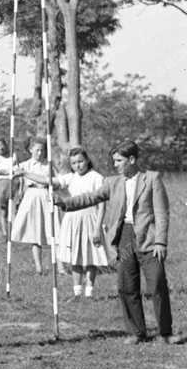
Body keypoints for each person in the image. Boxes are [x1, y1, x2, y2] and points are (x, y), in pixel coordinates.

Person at [56, 140, 175, 344]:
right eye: (114, 161)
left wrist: (161, 242)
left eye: (119, 160)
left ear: (131, 159)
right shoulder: (113, 182)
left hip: (148, 238)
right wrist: (64, 203)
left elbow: (162, 213)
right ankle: (137, 333)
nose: (115, 165)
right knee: (127, 286)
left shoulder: (152, 179)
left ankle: (166, 333)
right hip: (124, 237)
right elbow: (91, 197)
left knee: (157, 284)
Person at [54, 146, 109, 298]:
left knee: (91, 255)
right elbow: (52, 182)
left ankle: (89, 291)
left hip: (91, 218)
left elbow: (102, 205)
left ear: (87, 161)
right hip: (72, 220)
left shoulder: (96, 177)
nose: (78, 165)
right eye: (74, 163)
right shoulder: (71, 177)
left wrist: (98, 228)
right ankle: (77, 292)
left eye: (80, 161)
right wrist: (26, 174)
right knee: (75, 256)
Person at [9, 137, 54, 274]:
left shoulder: (49, 165)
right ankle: (38, 266)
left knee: (52, 231)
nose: (40, 153)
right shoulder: (25, 164)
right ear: (30, 150)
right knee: (35, 234)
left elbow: (54, 180)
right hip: (31, 197)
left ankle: (59, 266)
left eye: (42, 150)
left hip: (46, 196)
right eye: (37, 150)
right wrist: (13, 171)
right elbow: (10, 174)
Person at [0, 137, 16, 234]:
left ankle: (14, 230)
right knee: (3, 209)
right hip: (1, 185)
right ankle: (4, 231)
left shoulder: (12, 156)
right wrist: (6, 171)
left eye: (2, 145)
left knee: (13, 209)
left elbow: (16, 168)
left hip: (13, 184)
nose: (1, 147)